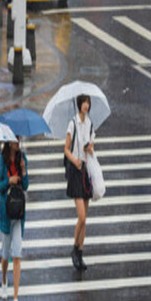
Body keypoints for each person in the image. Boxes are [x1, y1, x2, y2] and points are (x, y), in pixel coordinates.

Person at [0, 139, 28, 301]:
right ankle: (3, 280)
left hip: (19, 212)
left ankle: (15, 297)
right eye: (15, 139)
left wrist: (23, 171)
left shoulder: (23, 158)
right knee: (5, 254)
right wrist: (10, 180)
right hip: (6, 212)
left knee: (17, 254)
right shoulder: (1, 160)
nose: (18, 142)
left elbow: (26, 185)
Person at [64, 94, 95, 271]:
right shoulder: (73, 123)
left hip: (86, 170)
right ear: (79, 104)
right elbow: (66, 149)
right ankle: (74, 249)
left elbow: (91, 146)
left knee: (85, 219)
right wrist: (74, 159)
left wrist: (90, 148)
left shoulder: (89, 124)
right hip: (75, 171)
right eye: (84, 102)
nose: (86, 105)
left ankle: (80, 253)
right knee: (81, 216)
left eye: (88, 103)